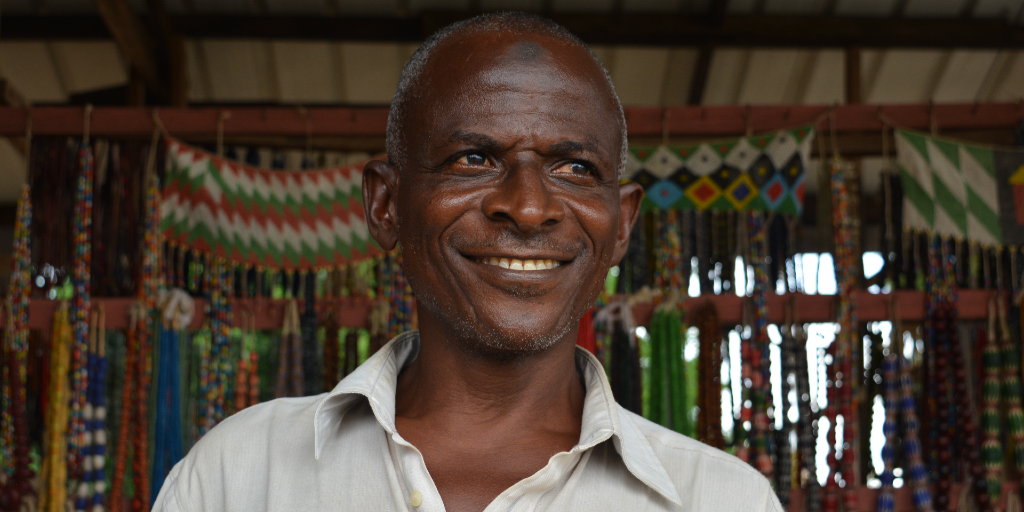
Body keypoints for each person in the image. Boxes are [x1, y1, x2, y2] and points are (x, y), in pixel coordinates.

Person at [152, 12, 783, 512]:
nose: (529, 207)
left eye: (574, 168)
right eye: (473, 159)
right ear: (386, 205)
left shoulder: (722, 500)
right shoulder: (237, 478)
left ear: (621, 226)